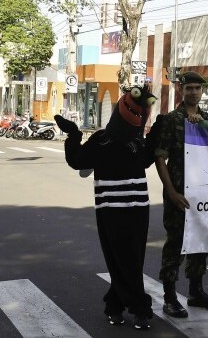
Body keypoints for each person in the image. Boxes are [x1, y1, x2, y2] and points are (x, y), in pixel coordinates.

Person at [54, 85, 157, 330]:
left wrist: (157, 131)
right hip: (111, 209)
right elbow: (78, 161)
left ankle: (115, 305)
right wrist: (74, 135)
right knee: (121, 260)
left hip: (137, 209)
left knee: (130, 260)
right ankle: (138, 307)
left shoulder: (136, 140)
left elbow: (147, 159)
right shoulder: (102, 139)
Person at [153, 71, 208, 318]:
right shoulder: (172, 120)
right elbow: (160, 157)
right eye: (190, 88)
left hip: (203, 196)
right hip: (179, 194)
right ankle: (169, 297)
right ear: (182, 90)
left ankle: (196, 291)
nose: (194, 92)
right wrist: (171, 191)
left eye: (198, 88)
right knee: (176, 244)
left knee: (200, 244)